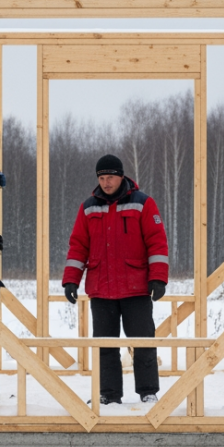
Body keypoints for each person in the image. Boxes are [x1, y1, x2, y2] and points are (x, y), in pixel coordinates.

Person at [62, 154, 169, 405]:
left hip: (136, 288)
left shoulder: (143, 203)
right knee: (105, 346)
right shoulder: (88, 207)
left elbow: (157, 242)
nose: (106, 182)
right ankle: (108, 395)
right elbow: (78, 246)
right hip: (101, 289)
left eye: (110, 177)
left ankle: (148, 391)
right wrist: (71, 280)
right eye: (102, 178)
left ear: (122, 176)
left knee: (143, 342)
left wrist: (158, 278)